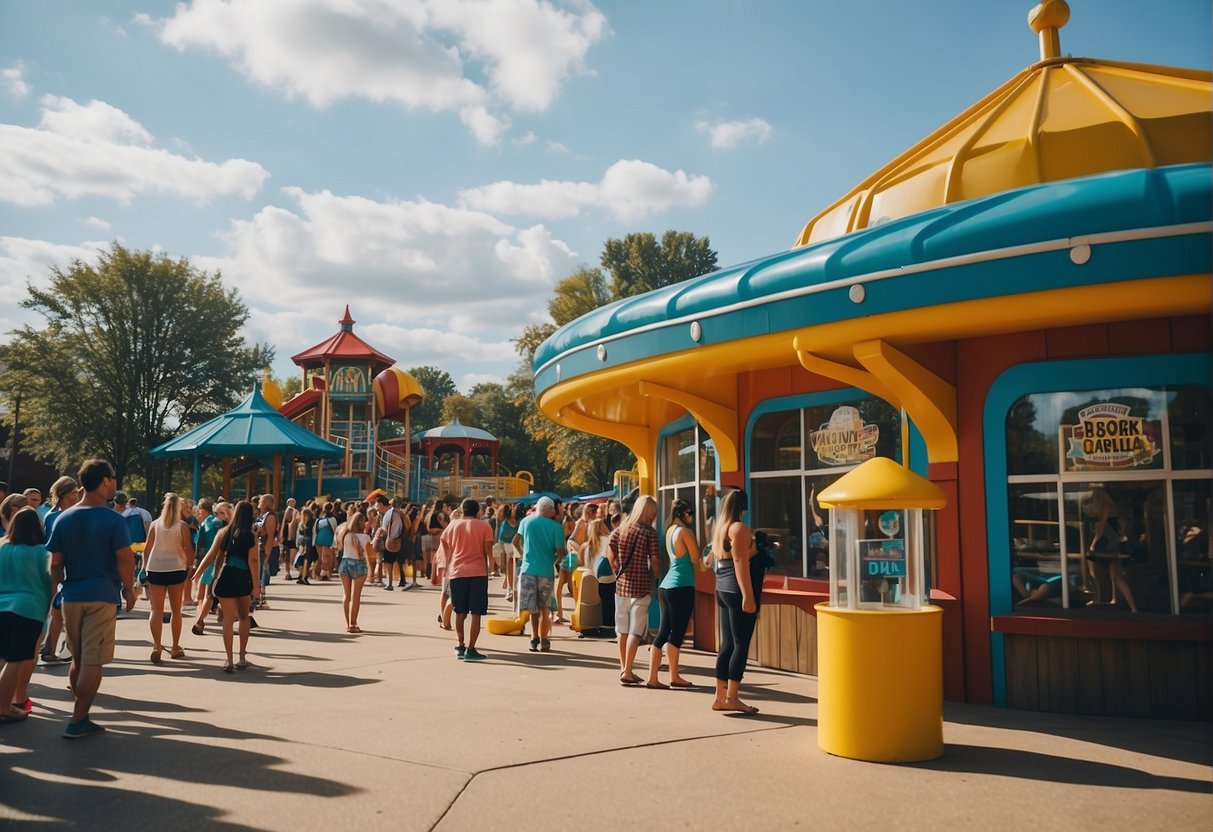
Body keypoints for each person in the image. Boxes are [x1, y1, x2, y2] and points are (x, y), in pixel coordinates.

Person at [47, 459, 137, 738]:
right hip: (102, 595)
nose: (115, 482)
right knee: (92, 660)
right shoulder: (112, 519)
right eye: (113, 476)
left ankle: (81, 714)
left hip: (71, 595)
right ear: (105, 481)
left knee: (78, 657)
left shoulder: (64, 518)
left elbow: (55, 564)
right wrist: (129, 589)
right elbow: (125, 558)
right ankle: (77, 719)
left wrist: (56, 593)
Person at [0, 508, 54, 724]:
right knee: (16, 659)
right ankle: (4, 707)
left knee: (2, 657)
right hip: (29, 609)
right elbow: (50, 586)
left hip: (1, 607)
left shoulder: (2, 548)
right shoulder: (43, 552)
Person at [711, 489, 761, 714]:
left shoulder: (720, 528)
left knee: (728, 644)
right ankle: (732, 697)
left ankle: (720, 697)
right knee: (740, 644)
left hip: (722, 588)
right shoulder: (739, 528)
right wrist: (748, 595)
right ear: (744, 506)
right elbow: (740, 561)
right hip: (736, 590)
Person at [194, 500, 259, 672]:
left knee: (228, 620)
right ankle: (242, 657)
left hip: (226, 577)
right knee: (244, 617)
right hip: (244, 578)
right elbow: (253, 561)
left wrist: (198, 573)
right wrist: (256, 585)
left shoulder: (224, 532)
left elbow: (213, 555)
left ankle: (229, 660)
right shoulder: (251, 536)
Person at [647, 499, 702, 689]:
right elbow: (695, 558)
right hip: (682, 585)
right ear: (681, 514)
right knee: (677, 633)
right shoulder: (685, 532)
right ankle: (674, 676)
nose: (692, 517)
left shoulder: (669, 530)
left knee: (662, 633)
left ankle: (653, 677)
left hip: (666, 585)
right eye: (690, 513)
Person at [608, 495, 660, 686]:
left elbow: (610, 548)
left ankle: (624, 668)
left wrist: (615, 568)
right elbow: (655, 559)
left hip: (621, 586)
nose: (654, 517)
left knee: (621, 629)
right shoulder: (649, 533)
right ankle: (628, 670)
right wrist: (657, 575)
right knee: (635, 631)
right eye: (653, 513)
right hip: (641, 587)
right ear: (649, 512)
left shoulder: (622, 528)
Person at [439, 498, 494, 661]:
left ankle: (460, 644)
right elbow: (488, 550)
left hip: (457, 571)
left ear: (462, 510)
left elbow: (444, 541)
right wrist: (491, 567)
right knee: (476, 612)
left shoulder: (454, 525)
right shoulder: (485, 526)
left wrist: (448, 559)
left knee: (460, 611)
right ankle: (471, 648)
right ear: (477, 511)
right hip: (478, 571)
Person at [142, 492, 194, 663]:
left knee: (156, 610)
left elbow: (147, 548)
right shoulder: (182, 525)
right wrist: (190, 565)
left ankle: (157, 645)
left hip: (156, 568)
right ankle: (175, 647)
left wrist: (144, 567)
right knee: (176, 611)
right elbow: (187, 548)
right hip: (176, 569)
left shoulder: (155, 524)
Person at [513, 496, 565, 653]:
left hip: (527, 570)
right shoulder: (556, 527)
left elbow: (515, 541)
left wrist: (523, 554)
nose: (555, 511)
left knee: (532, 609)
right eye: (553, 509)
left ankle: (533, 639)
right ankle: (544, 640)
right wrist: (553, 561)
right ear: (547, 509)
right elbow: (561, 553)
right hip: (545, 571)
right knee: (545, 609)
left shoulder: (525, 522)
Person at [38, 477, 81, 668]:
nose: (77, 494)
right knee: (59, 610)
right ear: (64, 494)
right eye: (74, 492)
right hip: (61, 567)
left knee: (58, 611)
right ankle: (56, 647)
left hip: (67, 566)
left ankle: (51, 647)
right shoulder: (55, 516)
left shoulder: (62, 515)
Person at [1085, 486, 1138, 613]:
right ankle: (1131, 606)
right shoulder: (1113, 508)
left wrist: (1092, 544)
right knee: (1117, 577)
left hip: (1105, 546)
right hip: (1114, 545)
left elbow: (1100, 528)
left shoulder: (1105, 508)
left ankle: (1100, 598)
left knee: (1097, 572)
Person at [190, 500, 228, 635]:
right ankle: (204, 617)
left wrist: (197, 562)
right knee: (209, 591)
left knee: (206, 592)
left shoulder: (212, 522)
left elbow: (203, 545)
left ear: (201, 509)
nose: (197, 513)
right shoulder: (210, 522)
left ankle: (200, 619)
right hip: (211, 559)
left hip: (211, 560)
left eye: (198, 510)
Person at [336, 512, 371, 633]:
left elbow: (339, 548)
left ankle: (348, 624)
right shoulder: (365, 538)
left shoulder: (345, 535)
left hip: (345, 563)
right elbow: (370, 555)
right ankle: (353, 623)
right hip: (359, 565)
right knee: (356, 596)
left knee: (346, 595)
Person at [254, 494, 279, 609]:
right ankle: (258, 598)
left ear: (267, 503)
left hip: (264, 549)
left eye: (262, 500)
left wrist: (267, 554)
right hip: (258, 548)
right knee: (258, 574)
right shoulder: (261, 516)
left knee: (262, 573)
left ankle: (262, 599)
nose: (259, 501)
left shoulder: (270, 517)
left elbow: (270, 537)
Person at [377, 494, 404, 591]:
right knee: (390, 562)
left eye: (377, 505)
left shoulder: (391, 514)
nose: (376, 507)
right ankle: (391, 582)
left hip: (391, 541)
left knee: (389, 562)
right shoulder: (392, 513)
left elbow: (392, 529)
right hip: (395, 539)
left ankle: (390, 583)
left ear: (380, 504)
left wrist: (389, 537)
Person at [314, 502, 337, 580]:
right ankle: (325, 573)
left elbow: (315, 530)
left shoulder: (319, 519)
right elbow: (335, 530)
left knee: (320, 557)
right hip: (328, 539)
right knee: (327, 558)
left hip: (318, 539)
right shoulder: (333, 519)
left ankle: (316, 574)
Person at [280, 498, 297, 581]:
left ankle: (292, 570)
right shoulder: (286, 513)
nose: (293, 504)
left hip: (294, 537)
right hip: (286, 537)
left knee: (292, 555)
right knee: (287, 555)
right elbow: (283, 524)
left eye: (294, 502)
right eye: (291, 502)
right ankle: (288, 572)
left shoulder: (296, 512)